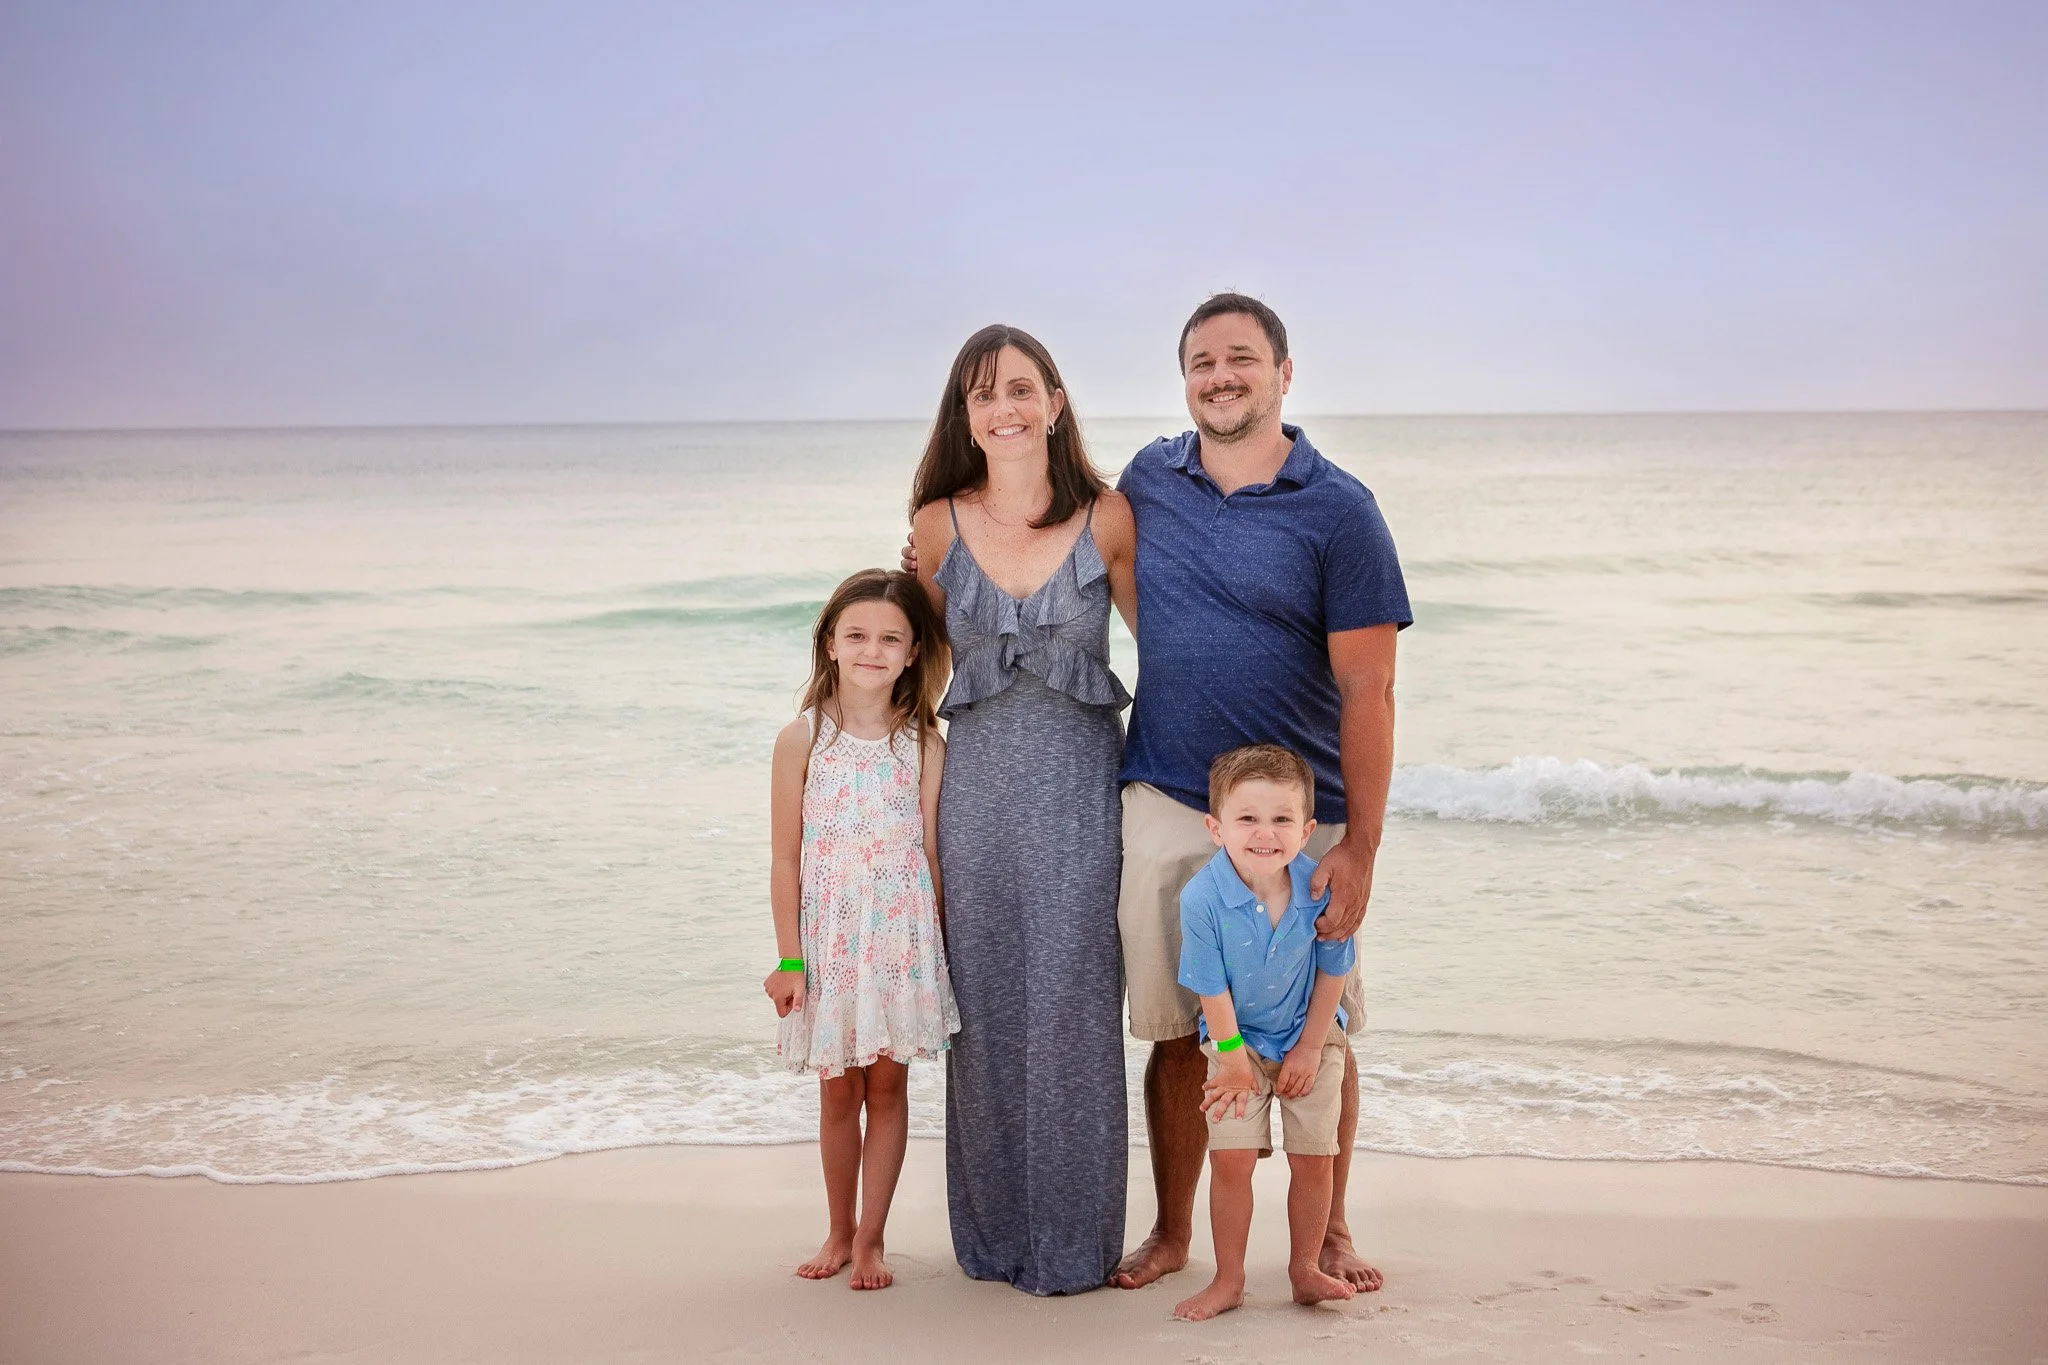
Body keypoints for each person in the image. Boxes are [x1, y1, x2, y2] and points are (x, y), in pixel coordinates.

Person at [1110, 293, 1410, 1293]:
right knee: (1177, 1030)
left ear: (1284, 372)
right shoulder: (1150, 478)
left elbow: (1369, 688)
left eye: (1240, 358)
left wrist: (1357, 845)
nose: (1219, 375)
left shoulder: (1339, 508)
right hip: (1165, 796)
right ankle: (1169, 1233)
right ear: (1183, 379)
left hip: (1300, 816)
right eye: (1201, 361)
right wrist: (924, 550)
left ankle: (1327, 1234)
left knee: (1316, 1038)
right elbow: (1035, 511)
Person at [907, 324, 1138, 1295]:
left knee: (1075, 1016)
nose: (1000, 408)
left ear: (1052, 401)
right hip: (978, 794)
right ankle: (994, 1244)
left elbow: (1165, 654)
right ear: (964, 416)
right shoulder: (932, 525)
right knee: (989, 1019)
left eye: (1017, 389)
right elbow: (909, 675)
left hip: (1081, 789)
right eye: (979, 394)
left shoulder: (1108, 517)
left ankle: (1073, 1248)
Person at [764, 568, 960, 1292]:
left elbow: (932, 855)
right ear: (830, 643)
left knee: (888, 1091)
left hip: (899, 946)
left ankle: (874, 1238)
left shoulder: (925, 745)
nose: (871, 650)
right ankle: (839, 1228)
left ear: (913, 652)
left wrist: (935, 954)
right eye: (856, 635)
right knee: (837, 1094)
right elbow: (785, 858)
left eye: (889, 638)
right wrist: (790, 958)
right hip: (831, 946)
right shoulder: (803, 738)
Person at [1170, 745, 1357, 1321]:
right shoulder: (1201, 897)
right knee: (1231, 1161)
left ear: (1307, 829)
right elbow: (1210, 986)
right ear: (1215, 826)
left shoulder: (1319, 886)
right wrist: (1230, 1059)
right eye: (1247, 818)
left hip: (1311, 1038)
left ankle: (1305, 1268)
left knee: (1313, 1157)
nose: (1264, 834)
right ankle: (1229, 1279)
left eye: (1281, 820)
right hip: (1236, 1043)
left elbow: (1333, 971)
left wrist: (1307, 1047)